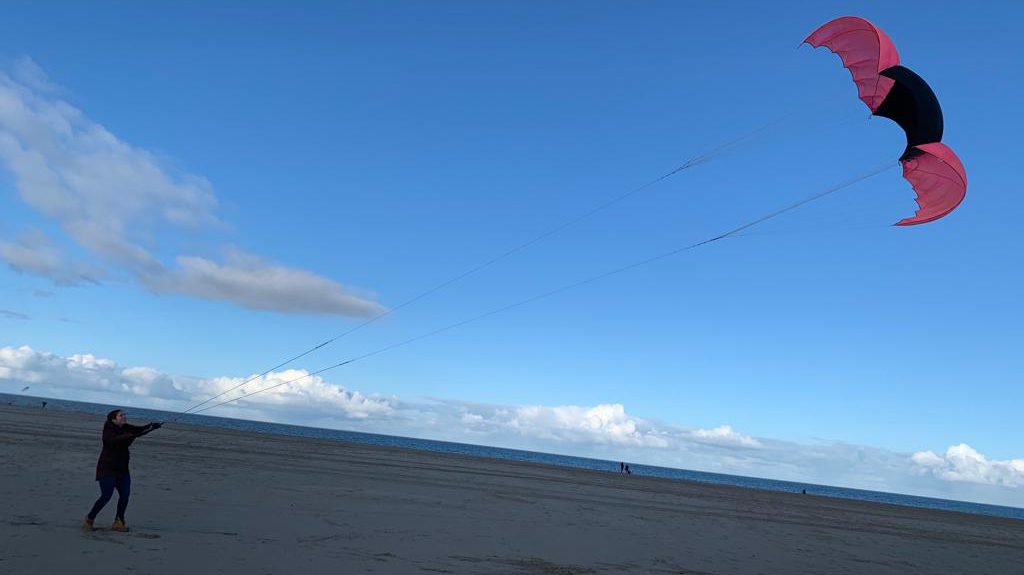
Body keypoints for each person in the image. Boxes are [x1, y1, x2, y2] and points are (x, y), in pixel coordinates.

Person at [82, 409, 162, 532]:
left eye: (124, 415)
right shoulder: (108, 430)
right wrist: (129, 435)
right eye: (121, 416)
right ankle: (89, 519)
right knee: (106, 496)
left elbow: (138, 430)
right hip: (107, 468)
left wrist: (151, 426)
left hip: (122, 468)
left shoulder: (126, 427)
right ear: (113, 419)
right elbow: (113, 440)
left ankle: (119, 521)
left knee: (125, 495)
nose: (124, 417)